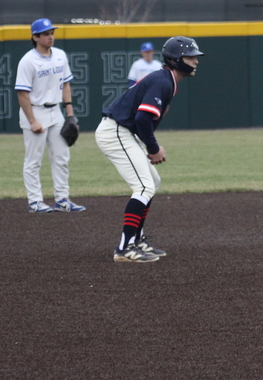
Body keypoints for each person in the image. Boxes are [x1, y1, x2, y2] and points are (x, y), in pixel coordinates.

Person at [96, 36, 204, 262]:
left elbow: (142, 120)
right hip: (115, 131)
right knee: (144, 186)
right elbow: (143, 118)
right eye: (190, 57)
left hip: (122, 131)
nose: (195, 61)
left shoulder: (166, 81)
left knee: (152, 183)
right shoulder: (162, 81)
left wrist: (150, 145)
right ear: (175, 60)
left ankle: (137, 239)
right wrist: (153, 148)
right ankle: (124, 249)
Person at [15, 18, 85, 214]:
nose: (50, 36)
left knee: (62, 157)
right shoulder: (28, 61)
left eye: (51, 32)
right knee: (33, 160)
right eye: (46, 34)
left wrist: (70, 114)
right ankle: (35, 201)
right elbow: (22, 94)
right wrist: (32, 121)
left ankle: (62, 200)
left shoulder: (60, 55)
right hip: (35, 111)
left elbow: (66, 85)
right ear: (35, 37)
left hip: (56, 112)